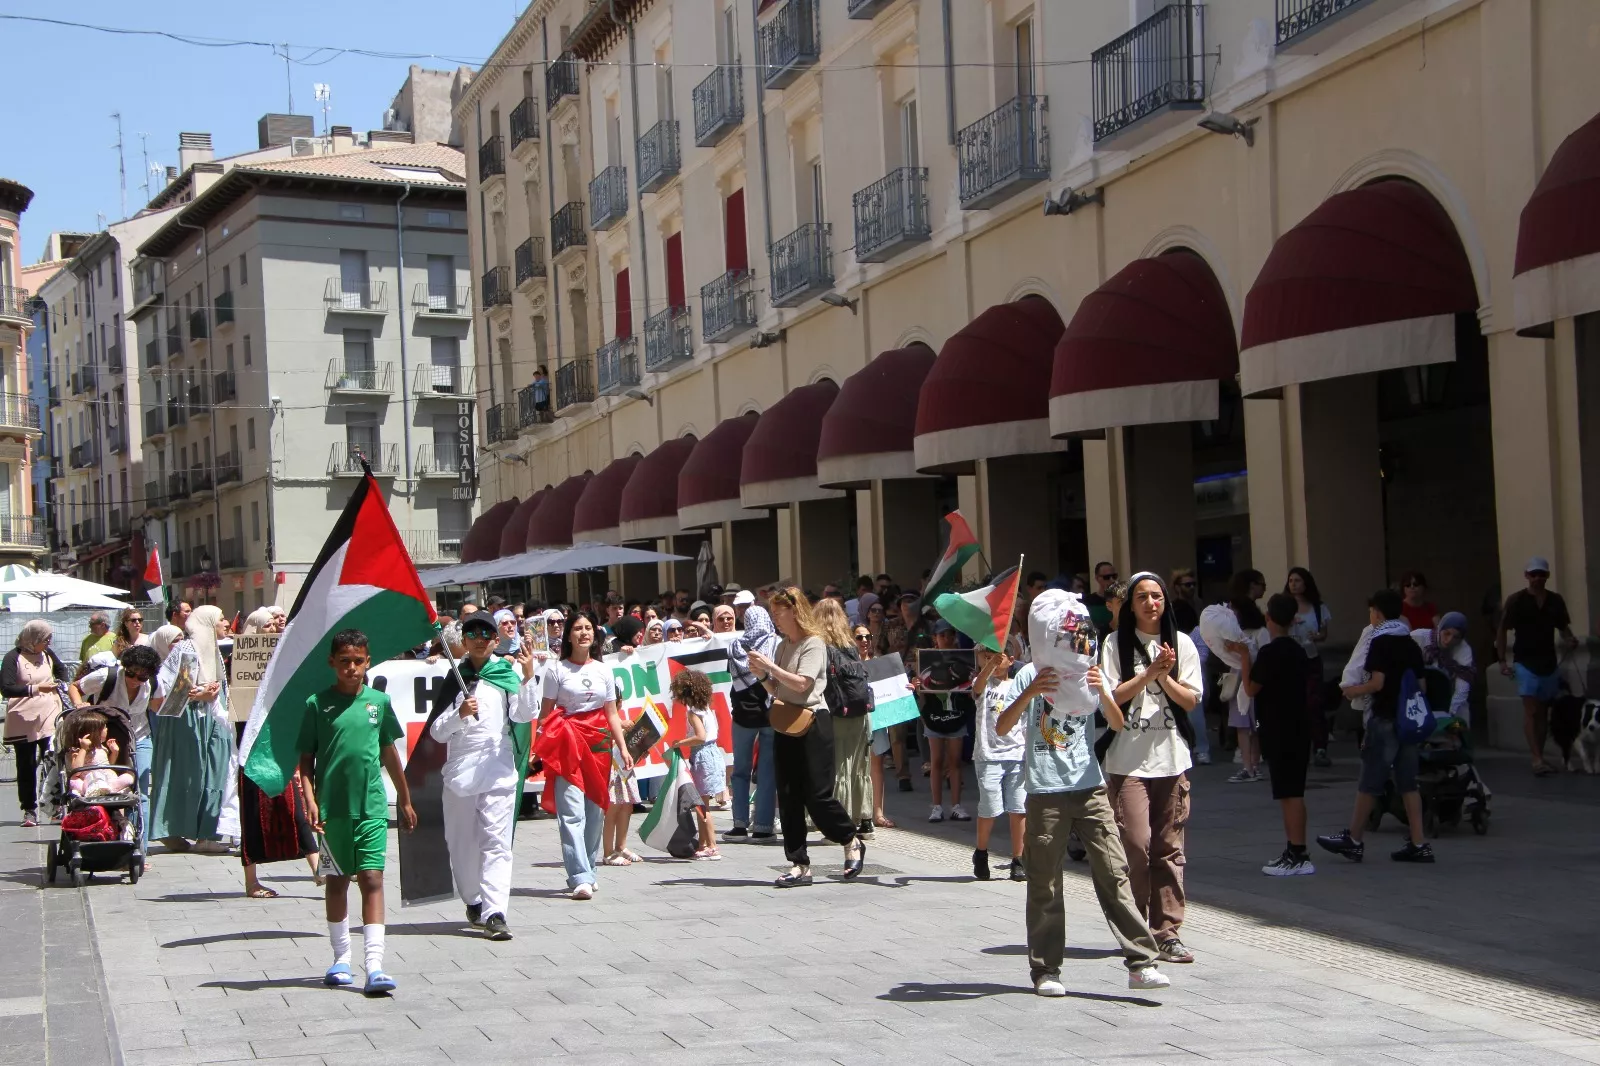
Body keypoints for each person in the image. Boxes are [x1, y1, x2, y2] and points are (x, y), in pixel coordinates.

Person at [993, 642, 1169, 994]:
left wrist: (1102, 690)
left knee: (1114, 871)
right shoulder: (1029, 672)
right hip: (1045, 791)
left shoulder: (1088, 671)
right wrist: (1029, 691)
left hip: (1090, 787)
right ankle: (1046, 970)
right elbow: (1002, 726)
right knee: (1045, 882)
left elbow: (1117, 723)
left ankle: (1140, 963)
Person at [298, 629, 416, 994]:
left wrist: (406, 798)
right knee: (336, 880)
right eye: (345, 661)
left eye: (359, 661)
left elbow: (389, 753)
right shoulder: (317, 704)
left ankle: (375, 964)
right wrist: (310, 798)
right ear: (332, 662)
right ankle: (340, 958)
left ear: (368, 662)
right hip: (333, 812)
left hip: (372, 808)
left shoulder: (377, 703)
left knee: (372, 879)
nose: (352, 668)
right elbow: (305, 760)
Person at [1098, 573, 1202, 965]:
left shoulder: (1183, 643)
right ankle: (1135, 925)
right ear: (1131, 605)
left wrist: (1165, 675)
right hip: (1127, 762)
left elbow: (1191, 700)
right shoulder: (1113, 645)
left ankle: (1167, 932)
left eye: (1157, 596)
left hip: (1172, 761)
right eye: (1142, 596)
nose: (1150, 602)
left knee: (1169, 848)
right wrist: (1148, 673)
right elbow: (1109, 698)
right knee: (1136, 846)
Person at [427, 612, 540, 941]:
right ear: (463, 641)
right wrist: (458, 714)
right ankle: (473, 899)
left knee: (496, 844)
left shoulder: (506, 675)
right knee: (461, 842)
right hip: (461, 773)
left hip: (498, 771)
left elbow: (525, 713)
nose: (479, 638)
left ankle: (495, 912)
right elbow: (436, 732)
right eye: (472, 632)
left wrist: (528, 676)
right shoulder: (455, 678)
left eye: (486, 633)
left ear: (496, 640)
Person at [746, 587, 866, 888]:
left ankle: (850, 838)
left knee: (817, 794)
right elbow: (780, 691)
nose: (775, 617)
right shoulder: (784, 646)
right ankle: (799, 863)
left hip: (813, 721)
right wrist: (762, 677)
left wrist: (771, 667)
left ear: (795, 611)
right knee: (788, 795)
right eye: (772, 612)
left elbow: (802, 684)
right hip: (786, 721)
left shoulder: (814, 644)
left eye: (779, 611)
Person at [1318, 588, 1434, 864]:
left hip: (1383, 718)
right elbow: (1422, 685)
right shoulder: (1410, 643)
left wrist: (1353, 691)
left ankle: (1354, 839)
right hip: (1408, 722)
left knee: (1370, 781)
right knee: (1409, 783)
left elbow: (1377, 683)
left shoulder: (1379, 641)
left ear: (1377, 613)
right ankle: (1419, 842)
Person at [534, 612, 633, 900]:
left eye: (588, 628)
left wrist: (623, 748)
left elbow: (612, 713)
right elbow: (545, 714)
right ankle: (578, 876)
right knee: (571, 813)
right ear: (568, 635)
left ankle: (589, 868)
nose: (583, 633)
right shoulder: (556, 670)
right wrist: (541, 746)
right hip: (568, 745)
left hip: (599, 744)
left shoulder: (604, 670)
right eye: (577, 628)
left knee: (595, 811)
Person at [233, 608, 320, 895]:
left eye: (274, 624)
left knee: (295, 807)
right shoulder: (239, 661)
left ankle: (318, 869)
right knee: (253, 815)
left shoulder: (284, 662)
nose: (273, 629)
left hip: (280, 745)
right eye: (267, 625)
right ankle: (251, 881)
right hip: (252, 749)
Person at [150, 606, 241, 856]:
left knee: (215, 770)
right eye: (221, 618)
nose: (225, 622)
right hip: (188, 722)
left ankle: (207, 832)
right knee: (188, 773)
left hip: (211, 719)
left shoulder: (212, 650)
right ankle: (175, 831)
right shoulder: (188, 649)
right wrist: (198, 695)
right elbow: (169, 690)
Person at [1244, 594, 1315, 876]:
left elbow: (1251, 688)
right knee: (1288, 792)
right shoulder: (1299, 650)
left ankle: (1299, 853)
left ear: (1269, 618)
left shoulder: (1270, 653)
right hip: (1297, 726)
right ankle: (1293, 849)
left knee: (1290, 792)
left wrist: (1242, 657)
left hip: (1281, 729)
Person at [70, 645, 161, 855]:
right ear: (124, 667)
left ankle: (140, 849)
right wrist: (78, 704)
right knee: (114, 790)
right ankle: (111, 832)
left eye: (142, 677)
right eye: (131, 673)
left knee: (141, 791)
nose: (135, 680)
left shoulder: (153, 683)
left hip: (140, 735)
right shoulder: (107, 676)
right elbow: (75, 687)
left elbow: (159, 706)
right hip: (107, 738)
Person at [1496, 557, 1575, 776]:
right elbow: (1502, 630)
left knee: (1542, 711)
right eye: (1534, 574)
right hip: (1524, 661)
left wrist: (1570, 639)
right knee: (1530, 709)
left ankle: (1539, 755)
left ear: (1547, 576)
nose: (1537, 578)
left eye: (1542, 574)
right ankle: (1536, 758)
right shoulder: (1516, 601)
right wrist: (1502, 660)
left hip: (1549, 661)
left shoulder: (1555, 601)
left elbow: (1564, 628)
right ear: (1527, 576)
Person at [3, 620, 72, 827]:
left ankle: (54, 806)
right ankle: (29, 809)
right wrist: (35, 689)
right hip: (23, 719)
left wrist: (60, 685)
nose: (48, 642)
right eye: (44, 639)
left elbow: (61, 671)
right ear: (32, 639)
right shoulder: (13, 657)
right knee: (26, 765)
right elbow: (6, 688)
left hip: (49, 715)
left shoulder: (48, 654)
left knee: (52, 761)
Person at [722, 593, 779, 845]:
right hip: (769, 715)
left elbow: (731, 677)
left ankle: (739, 824)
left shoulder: (735, 646)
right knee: (767, 771)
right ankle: (764, 827)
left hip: (742, 716)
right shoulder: (776, 645)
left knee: (740, 771)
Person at [814, 599, 872, 838]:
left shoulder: (820, 645)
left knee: (839, 766)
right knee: (860, 765)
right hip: (860, 712)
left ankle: (842, 822)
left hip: (836, 712)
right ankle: (865, 819)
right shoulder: (850, 644)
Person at [971, 645, 1024, 882]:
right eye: (985, 656)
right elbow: (977, 687)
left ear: (1011, 660)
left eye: (997, 656)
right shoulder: (983, 684)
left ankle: (1019, 859)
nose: (991, 659)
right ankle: (981, 853)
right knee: (990, 808)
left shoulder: (1017, 685)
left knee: (1018, 808)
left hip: (1016, 754)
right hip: (989, 755)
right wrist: (990, 666)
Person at [917, 621, 971, 822]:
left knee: (955, 762)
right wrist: (916, 686)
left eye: (950, 634)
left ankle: (956, 805)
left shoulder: (965, 659)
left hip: (957, 715)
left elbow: (970, 688)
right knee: (936, 761)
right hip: (934, 717)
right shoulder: (925, 660)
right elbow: (921, 687)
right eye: (942, 635)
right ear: (935, 638)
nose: (947, 639)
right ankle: (937, 806)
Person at [671, 669, 723, 860]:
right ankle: (703, 844)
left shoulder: (693, 713)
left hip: (702, 755)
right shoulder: (707, 709)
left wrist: (680, 743)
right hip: (713, 752)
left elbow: (700, 737)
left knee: (702, 806)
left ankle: (712, 845)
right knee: (703, 802)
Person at [1285, 567, 1333, 768]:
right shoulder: (1284, 605)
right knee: (1292, 703)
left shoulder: (1318, 607)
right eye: (1291, 580)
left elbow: (1324, 633)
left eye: (1298, 580)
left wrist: (1317, 636)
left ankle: (1320, 747)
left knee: (1314, 702)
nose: (1294, 584)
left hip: (1310, 657)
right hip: (1289, 658)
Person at [1224, 570, 1269, 784]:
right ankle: (1250, 765)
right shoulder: (1242, 632)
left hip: (1249, 678)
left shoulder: (1254, 633)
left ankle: (1252, 764)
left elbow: (1263, 654)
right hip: (1245, 679)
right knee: (1247, 724)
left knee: (1251, 725)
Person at [1168, 569, 1210, 765]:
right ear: (1177, 587)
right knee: (1192, 707)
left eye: (1193, 584)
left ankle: (1199, 748)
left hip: (1198, 656)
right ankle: (1199, 749)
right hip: (1179, 657)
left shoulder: (1199, 605)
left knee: (1197, 704)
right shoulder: (1175, 608)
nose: (1191, 587)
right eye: (1187, 584)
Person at [1414, 611, 1475, 724]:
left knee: (1460, 713)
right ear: (1440, 629)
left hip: (1448, 695)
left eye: (1456, 637)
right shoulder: (1418, 637)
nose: (1449, 640)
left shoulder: (1464, 650)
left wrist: (1450, 713)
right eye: (1446, 633)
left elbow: (1462, 686)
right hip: (1418, 691)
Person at [1085, 562, 1119, 632]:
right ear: (1097, 578)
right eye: (1107, 577)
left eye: (1114, 576)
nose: (1112, 580)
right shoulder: (1088, 602)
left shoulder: (1121, 600)